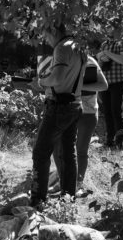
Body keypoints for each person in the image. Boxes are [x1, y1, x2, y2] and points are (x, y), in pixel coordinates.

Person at [30, 23, 86, 207]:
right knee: (68, 153)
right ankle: (68, 197)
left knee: (40, 153)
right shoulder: (79, 47)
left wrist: (41, 82)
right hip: (75, 104)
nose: (46, 40)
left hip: (59, 107)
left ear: (54, 30)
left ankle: (38, 199)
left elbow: (57, 78)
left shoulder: (62, 48)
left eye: (46, 36)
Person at [53, 54, 108, 195]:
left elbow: (103, 85)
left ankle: (78, 185)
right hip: (66, 110)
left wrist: (78, 84)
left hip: (88, 112)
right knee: (57, 148)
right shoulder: (61, 58)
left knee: (81, 150)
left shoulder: (90, 61)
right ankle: (63, 181)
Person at [98, 23, 123, 148]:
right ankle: (109, 140)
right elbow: (99, 59)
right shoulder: (104, 44)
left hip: (118, 81)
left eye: (110, 27)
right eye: (107, 27)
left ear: (116, 28)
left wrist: (107, 54)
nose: (108, 28)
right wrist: (102, 58)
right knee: (107, 111)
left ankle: (119, 143)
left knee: (116, 111)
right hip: (106, 82)